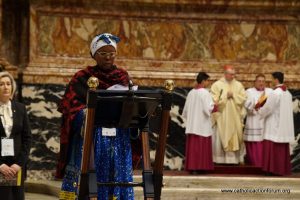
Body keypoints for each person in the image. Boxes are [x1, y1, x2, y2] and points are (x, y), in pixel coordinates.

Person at [57, 33, 135, 199]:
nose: (108, 58)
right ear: (93, 54)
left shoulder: (122, 76)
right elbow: (70, 107)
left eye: (112, 54)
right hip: (90, 138)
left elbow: (131, 104)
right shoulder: (82, 77)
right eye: (103, 54)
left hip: (117, 136)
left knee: (116, 174)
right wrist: (85, 114)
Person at [0, 71, 32, 200]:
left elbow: (27, 138)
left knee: (16, 197)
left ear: (12, 87)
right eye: (1, 84)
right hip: (0, 165)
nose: (6, 87)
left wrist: (19, 163)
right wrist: (0, 165)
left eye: (8, 84)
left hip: (16, 166)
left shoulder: (20, 108)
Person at [258, 72, 294, 175]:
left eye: (272, 79)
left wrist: (260, 111)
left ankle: (271, 169)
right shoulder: (288, 93)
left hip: (273, 124)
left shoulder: (275, 93)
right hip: (283, 126)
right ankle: (281, 169)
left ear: (276, 80)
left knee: (272, 146)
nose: (271, 81)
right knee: (281, 149)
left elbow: (268, 108)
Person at [211, 65, 247, 164]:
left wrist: (234, 95)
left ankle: (234, 160)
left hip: (235, 116)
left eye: (234, 75)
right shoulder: (217, 85)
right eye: (231, 74)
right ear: (225, 74)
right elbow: (214, 100)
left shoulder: (238, 85)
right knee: (220, 136)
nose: (233, 77)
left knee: (236, 136)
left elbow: (243, 98)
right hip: (222, 116)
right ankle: (219, 159)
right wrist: (225, 96)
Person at [183, 72, 216, 173]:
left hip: (192, 125)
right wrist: (215, 105)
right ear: (203, 81)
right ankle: (202, 168)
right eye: (207, 81)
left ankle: (193, 168)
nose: (208, 83)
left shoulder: (191, 93)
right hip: (202, 125)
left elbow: (185, 111)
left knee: (194, 148)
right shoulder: (205, 93)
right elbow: (208, 109)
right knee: (201, 147)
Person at [244, 74, 273, 168]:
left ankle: (264, 164)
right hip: (253, 120)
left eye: (263, 81)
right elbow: (246, 104)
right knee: (253, 142)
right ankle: (254, 164)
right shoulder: (249, 91)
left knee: (264, 142)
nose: (261, 83)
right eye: (259, 81)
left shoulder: (270, 92)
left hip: (265, 121)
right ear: (255, 82)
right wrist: (254, 106)